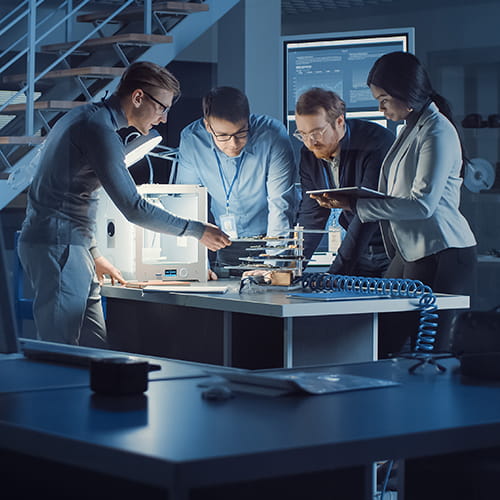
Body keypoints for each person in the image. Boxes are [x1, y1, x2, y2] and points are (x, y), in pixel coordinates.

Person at [17, 61, 231, 347]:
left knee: (97, 350)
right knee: (58, 352)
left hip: (71, 247)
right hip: (59, 248)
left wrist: (93, 253)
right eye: (161, 108)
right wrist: (196, 230)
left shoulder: (85, 116)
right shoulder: (99, 131)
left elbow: (68, 193)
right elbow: (134, 207)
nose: (164, 119)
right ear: (138, 97)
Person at [318, 52, 477, 355]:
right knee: (383, 340)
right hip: (412, 249)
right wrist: (353, 199)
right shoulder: (410, 127)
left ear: (408, 94)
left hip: (445, 251)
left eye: (385, 100)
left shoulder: (437, 130)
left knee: (430, 352)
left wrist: (358, 207)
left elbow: (422, 205)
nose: (380, 108)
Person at [176, 86, 297, 276]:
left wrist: (273, 263)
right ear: (208, 126)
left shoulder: (272, 135)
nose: (234, 144)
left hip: (270, 240)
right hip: (223, 243)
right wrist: (197, 262)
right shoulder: (192, 139)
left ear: (248, 120)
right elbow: (186, 203)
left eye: (241, 133)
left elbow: (280, 204)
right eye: (223, 136)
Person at [294, 88, 394, 276]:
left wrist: (335, 274)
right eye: (303, 134)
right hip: (358, 250)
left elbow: (367, 215)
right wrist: (292, 268)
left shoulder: (376, 142)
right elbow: (311, 215)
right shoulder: (309, 153)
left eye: (317, 132)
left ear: (339, 121)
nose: (310, 142)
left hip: (392, 249)